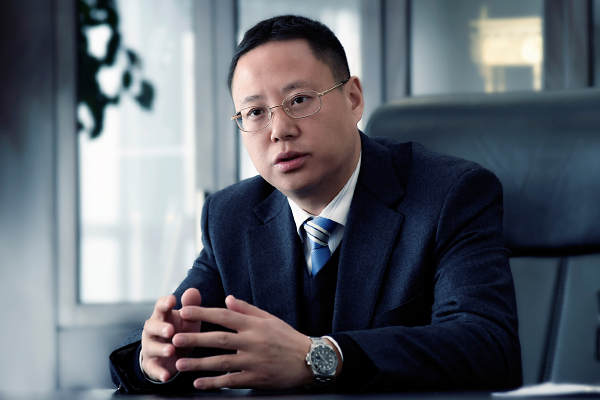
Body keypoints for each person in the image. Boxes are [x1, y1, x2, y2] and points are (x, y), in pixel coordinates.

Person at [110, 14, 522, 394]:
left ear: (353, 98)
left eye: (300, 100)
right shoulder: (231, 216)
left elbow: (488, 346)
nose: (279, 130)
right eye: (254, 112)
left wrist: (320, 357)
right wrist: (154, 357)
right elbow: (174, 338)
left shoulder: (450, 194)